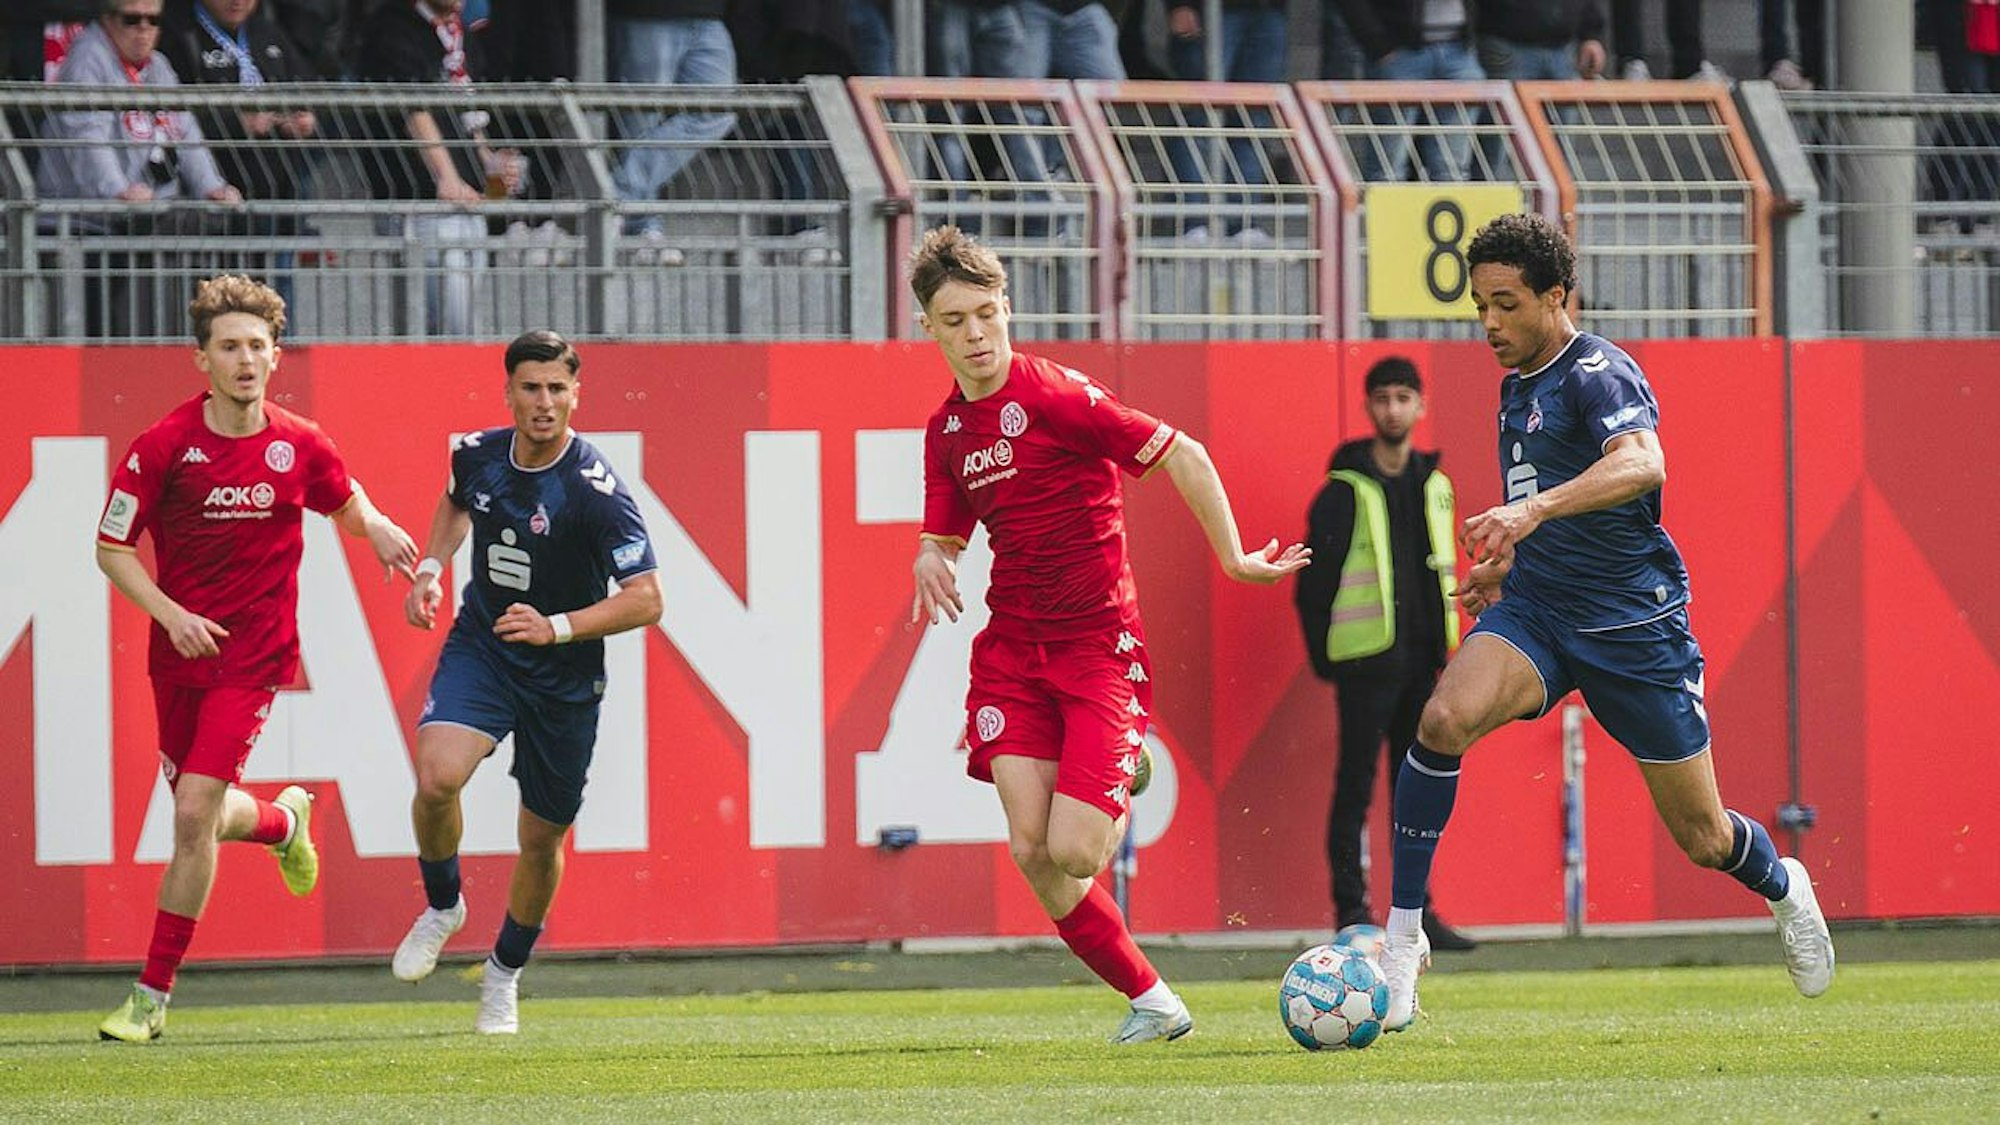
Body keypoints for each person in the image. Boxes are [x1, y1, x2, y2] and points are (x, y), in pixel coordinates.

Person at [1373, 212, 1834, 1033]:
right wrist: (1507, 561)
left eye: (1506, 304)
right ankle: (1403, 939)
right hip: (1542, 612)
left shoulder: (1600, 371)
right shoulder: (1516, 386)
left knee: (1702, 835)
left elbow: (1641, 463)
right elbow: (1541, 505)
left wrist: (1530, 511)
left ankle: (1783, 883)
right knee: (1441, 718)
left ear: (1557, 296)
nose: (1489, 324)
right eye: (1480, 305)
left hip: (1635, 627)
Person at [908, 225, 1310, 1043]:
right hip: (1013, 654)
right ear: (930, 328)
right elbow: (945, 530)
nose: (975, 334)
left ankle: (1126, 766)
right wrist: (928, 554)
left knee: (1078, 851)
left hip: (1099, 649)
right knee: (1031, 848)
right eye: (955, 320)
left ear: (1008, 309)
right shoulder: (947, 433)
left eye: (986, 313)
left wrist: (1233, 558)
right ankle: (1154, 999)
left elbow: (1183, 454)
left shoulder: (1055, 395)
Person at [92, 274, 419, 1042]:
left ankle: (151, 994)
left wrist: (374, 529)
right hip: (177, 654)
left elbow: (344, 498)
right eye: (230, 346)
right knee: (199, 811)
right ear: (200, 359)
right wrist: (170, 615)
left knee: (191, 813)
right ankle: (281, 820)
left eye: (258, 347)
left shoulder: (299, 444)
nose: (246, 360)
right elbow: (110, 547)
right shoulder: (163, 446)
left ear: (276, 356)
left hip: (254, 657)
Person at [391, 330, 663, 1035]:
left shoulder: (595, 491)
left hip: (564, 678)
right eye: (532, 387)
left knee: (540, 840)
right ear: (508, 391)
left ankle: (503, 974)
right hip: (484, 644)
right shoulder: (476, 454)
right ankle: (444, 903)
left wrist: (559, 626)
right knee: (435, 778)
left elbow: (646, 597)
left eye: (557, 389)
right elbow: (457, 504)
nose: (545, 402)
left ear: (578, 393)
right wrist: (430, 567)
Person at [1293, 356, 1476, 952]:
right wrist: (1327, 660)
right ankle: (1353, 915)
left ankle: (1416, 915)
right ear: (1369, 407)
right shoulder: (1341, 492)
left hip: (1425, 663)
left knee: (1415, 789)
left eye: (1404, 397)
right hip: (1366, 666)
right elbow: (1312, 586)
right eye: (1383, 398)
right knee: (1354, 786)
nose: (1393, 408)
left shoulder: (1436, 485)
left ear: (1421, 406)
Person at [353, 0, 524, 335]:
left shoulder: (460, 33)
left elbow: (469, 114)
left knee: (463, 325)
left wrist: (491, 168)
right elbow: (413, 110)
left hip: (467, 202)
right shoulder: (394, 27)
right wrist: (447, 178)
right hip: (421, 203)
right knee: (446, 326)